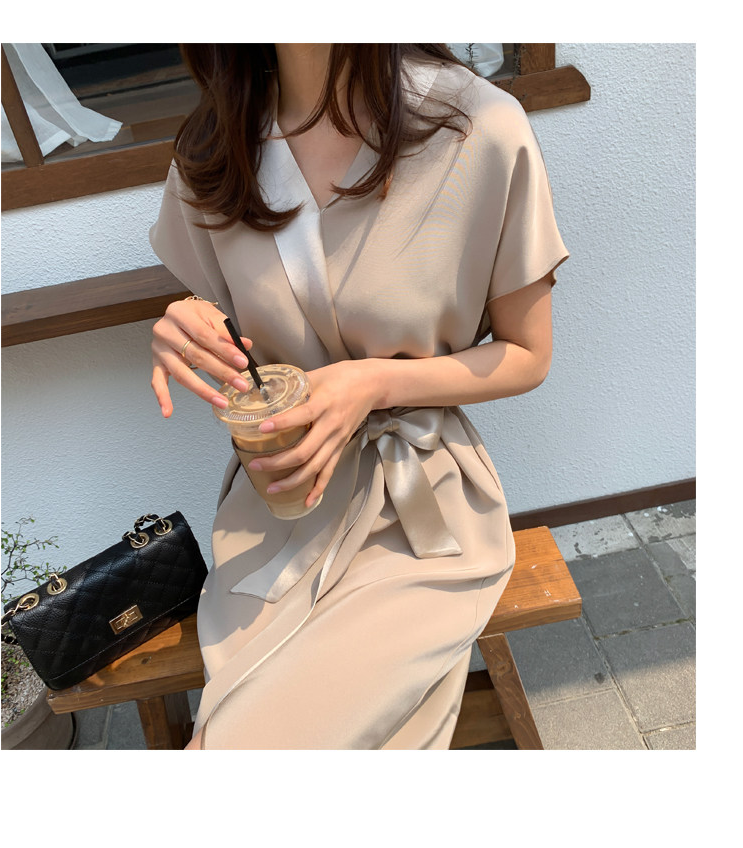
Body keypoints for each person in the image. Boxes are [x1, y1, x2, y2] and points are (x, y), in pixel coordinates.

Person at [149, 43, 568, 750]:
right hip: (280, 506)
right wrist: (187, 327)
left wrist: (372, 382)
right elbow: (228, 324)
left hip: (421, 506)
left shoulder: (477, 128)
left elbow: (528, 355)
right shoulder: (214, 147)